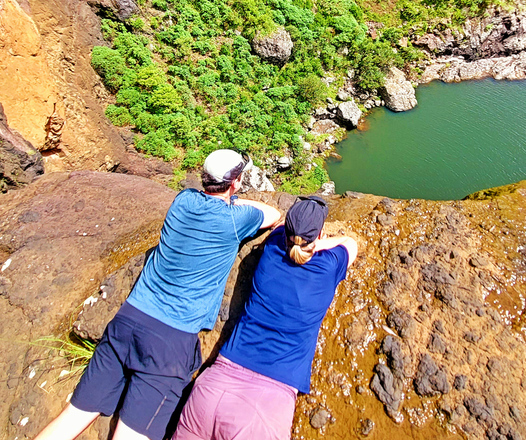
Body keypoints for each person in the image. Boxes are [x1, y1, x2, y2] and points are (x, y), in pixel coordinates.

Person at [33, 150, 282, 440]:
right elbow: (273, 214)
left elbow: (215, 198)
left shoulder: (183, 201)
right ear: (235, 183)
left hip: (128, 320)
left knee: (73, 417)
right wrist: (234, 200)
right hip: (170, 341)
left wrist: (228, 196)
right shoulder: (235, 220)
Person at [172, 195, 358, 440]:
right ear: (320, 235)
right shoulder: (329, 265)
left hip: (214, 385)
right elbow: (350, 243)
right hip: (265, 403)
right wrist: (320, 246)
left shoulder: (271, 249)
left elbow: (277, 223)